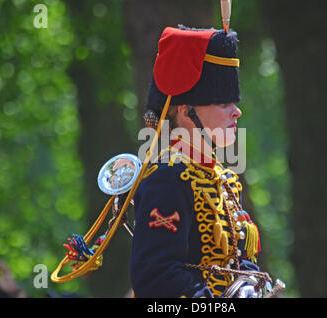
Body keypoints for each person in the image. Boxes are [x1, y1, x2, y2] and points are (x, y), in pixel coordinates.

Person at [130, 25, 268, 298]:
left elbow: (239, 262)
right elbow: (156, 276)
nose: (237, 112)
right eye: (223, 103)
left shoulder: (223, 178)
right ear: (186, 111)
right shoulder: (166, 178)